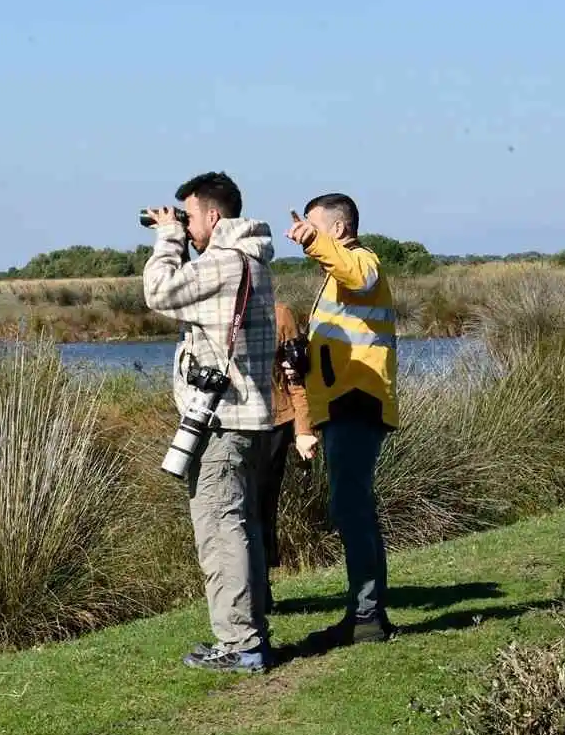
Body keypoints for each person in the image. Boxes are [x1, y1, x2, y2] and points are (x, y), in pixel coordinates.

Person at [143, 172, 278, 673]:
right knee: (240, 525)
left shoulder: (223, 264)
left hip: (223, 424)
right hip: (248, 420)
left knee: (221, 529)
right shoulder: (251, 261)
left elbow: (158, 292)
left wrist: (167, 238)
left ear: (213, 215)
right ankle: (249, 634)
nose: (186, 224)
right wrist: (182, 232)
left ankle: (240, 643)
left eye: (190, 215)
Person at [286, 193, 400, 645]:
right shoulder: (335, 277)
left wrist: (315, 241)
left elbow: (361, 275)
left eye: (310, 227)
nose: (301, 236)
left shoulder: (360, 260)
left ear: (338, 228)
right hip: (344, 403)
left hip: (359, 400)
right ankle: (367, 614)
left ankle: (367, 618)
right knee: (355, 508)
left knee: (351, 508)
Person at [254, 300, 316, 614]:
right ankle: (236, 594)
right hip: (227, 426)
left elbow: (295, 379)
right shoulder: (214, 307)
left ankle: (260, 591)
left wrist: (303, 429)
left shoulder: (280, 314)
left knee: (263, 507)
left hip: (273, 424)